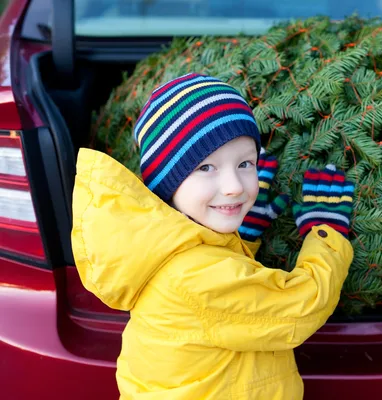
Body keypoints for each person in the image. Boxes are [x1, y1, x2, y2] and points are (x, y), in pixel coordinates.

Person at [71, 72, 355, 399]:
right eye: (206, 168)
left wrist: (243, 236)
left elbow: (215, 273)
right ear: (168, 183)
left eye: (245, 164)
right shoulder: (194, 277)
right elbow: (300, 308)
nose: (235, 186)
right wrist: (327, 232)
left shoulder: (171, 245)